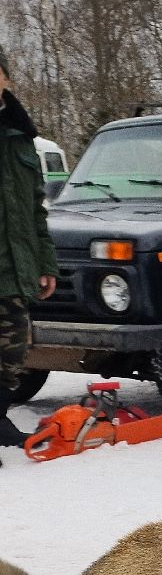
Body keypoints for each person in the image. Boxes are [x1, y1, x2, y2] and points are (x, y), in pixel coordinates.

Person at [0, 50, 58, 457]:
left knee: (14, 349)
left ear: (5, 79)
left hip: (13, 264)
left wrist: (45, 263)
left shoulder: (21, 136)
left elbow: (37, 207)